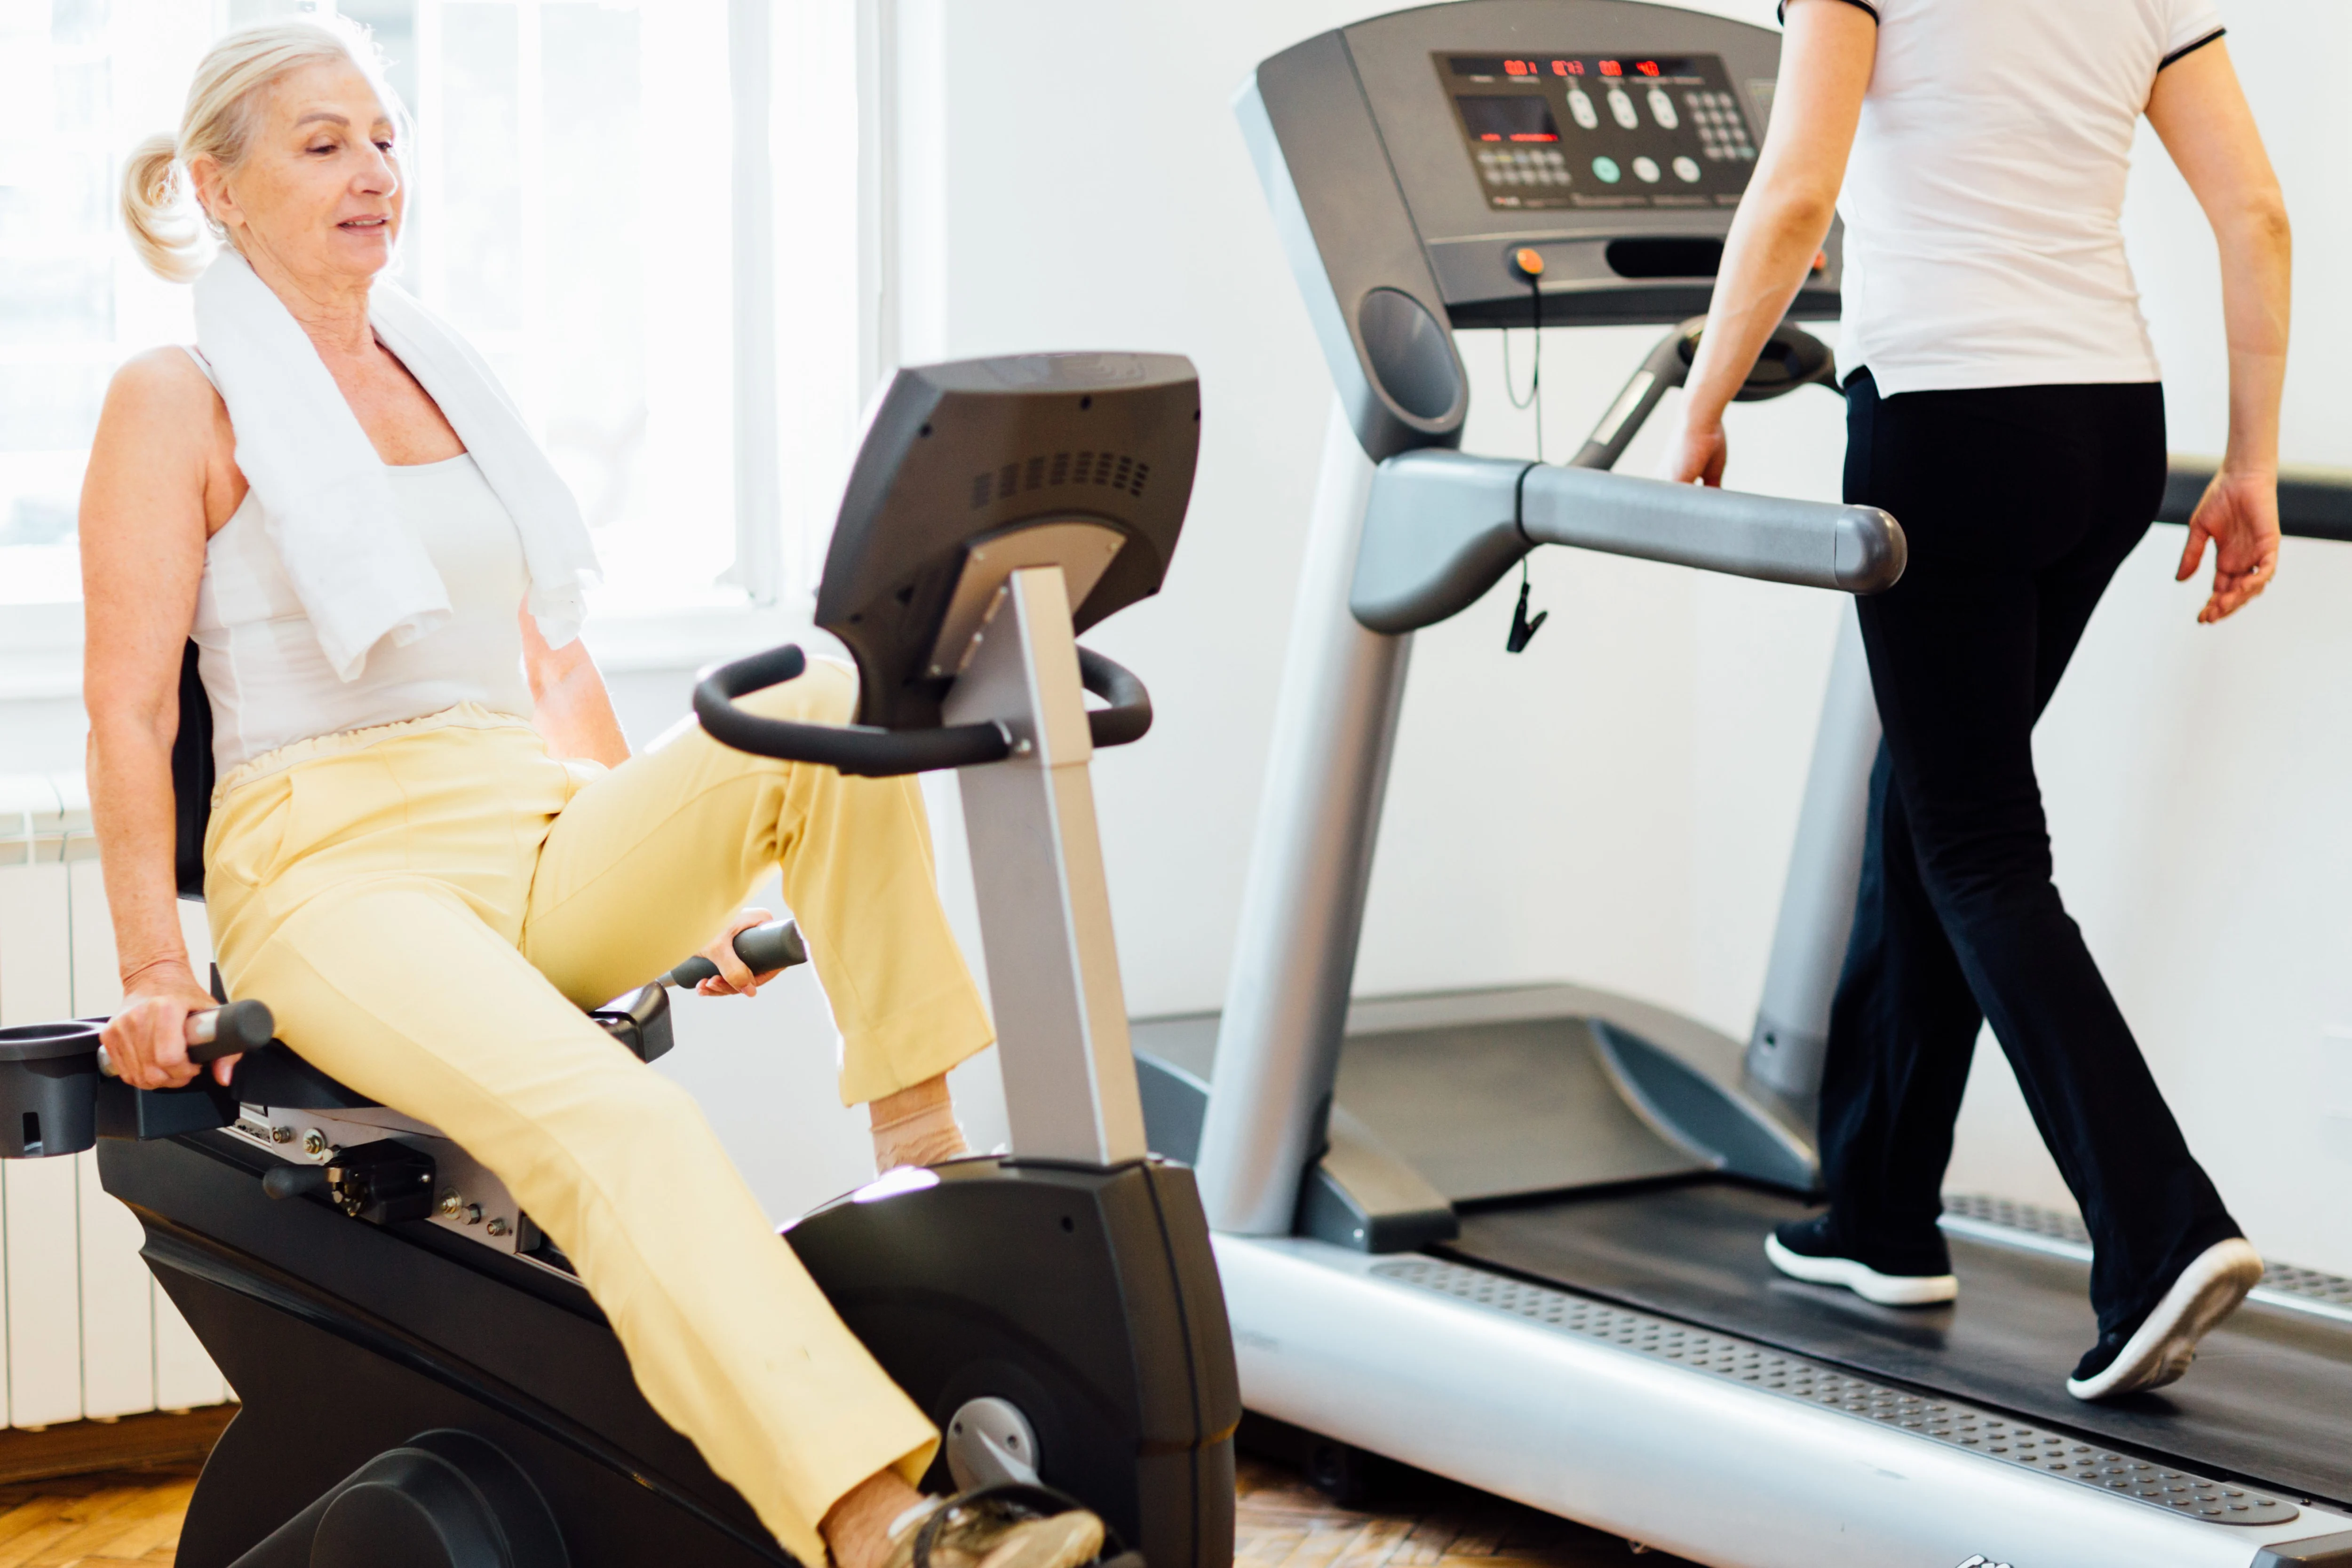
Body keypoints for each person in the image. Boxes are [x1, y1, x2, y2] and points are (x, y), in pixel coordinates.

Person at [82, 19, 1106, 1568]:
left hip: (522, 812)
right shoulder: (180, 394)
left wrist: (670, 861)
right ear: (218, 190)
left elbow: (549, 660)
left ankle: (928, 1166)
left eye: (386, 138)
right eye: (324, 144)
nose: (376, 173)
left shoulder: (442, 368)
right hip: (331, 867)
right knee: (620, 1124)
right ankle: (887, 1523)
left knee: (824, 692)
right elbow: (128, 703)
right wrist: (157, 970)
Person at [1663, 0, 2290, 1399]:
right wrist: (2247, 463)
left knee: (1980, 846)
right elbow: (2255, 213)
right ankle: (1881, 1211)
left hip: (1948, 417)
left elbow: (1799, 193)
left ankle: (2160, 1226)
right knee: (1936, 793)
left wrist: (1703, 402)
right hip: (2109, 435)